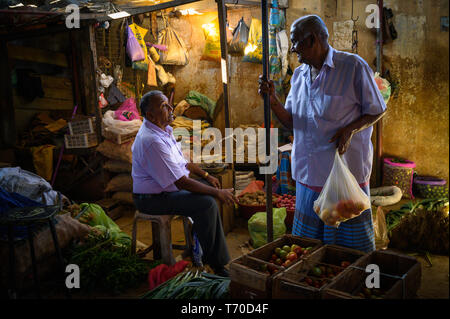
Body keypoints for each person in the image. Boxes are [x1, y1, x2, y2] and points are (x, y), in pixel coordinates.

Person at [258, 15, 387, 253]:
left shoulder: (352, 67)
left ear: (313, 39)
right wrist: (272, 100)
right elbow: (291, 122)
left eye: (296, 42)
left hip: (343, 175)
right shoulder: (299, 76)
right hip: (308, 175)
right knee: (308, 249)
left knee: (349, 251)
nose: (293, 48)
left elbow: (377, 110)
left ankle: (350, 282)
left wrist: (350, 129)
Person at [131, 90, 238, 276]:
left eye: (169, 103)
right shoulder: (151, 140)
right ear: (150, 115)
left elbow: (184, 162)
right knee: (207, 203)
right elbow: (181, 182)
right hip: (151, 199)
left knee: (208, 195)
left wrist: (206, 175)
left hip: (167, 190)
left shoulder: (164, 130)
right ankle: (216, 265)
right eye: (164, 106)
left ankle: (198, 249)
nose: (171, 108)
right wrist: (216, 193)